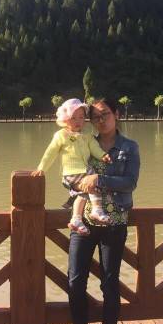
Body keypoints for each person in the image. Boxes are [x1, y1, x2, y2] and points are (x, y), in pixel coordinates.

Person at [56, 99, 140, 324]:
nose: (100, 120)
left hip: (114, 223)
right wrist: (76, 181)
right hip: (83, 222)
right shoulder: (82, 142)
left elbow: (130, 182)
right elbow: (68, 173)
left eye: (105, 114)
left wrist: (99, 179)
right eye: (95, 117)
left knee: (109, 283)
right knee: (75, 280)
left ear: (117, 114)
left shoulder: (129, 147)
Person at [32, 98, 112, 235]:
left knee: (83, 194)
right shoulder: (61, 135)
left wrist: (103, 155)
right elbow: (50, 152)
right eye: (73, 118)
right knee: (94, 184)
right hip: (71, 173)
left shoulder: (87, 136)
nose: (78, 121)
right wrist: (41, 168)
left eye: (81, 117)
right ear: (65, 119)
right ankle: (97, 210)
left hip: (85, 171)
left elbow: (95, 148)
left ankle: (76, 219)